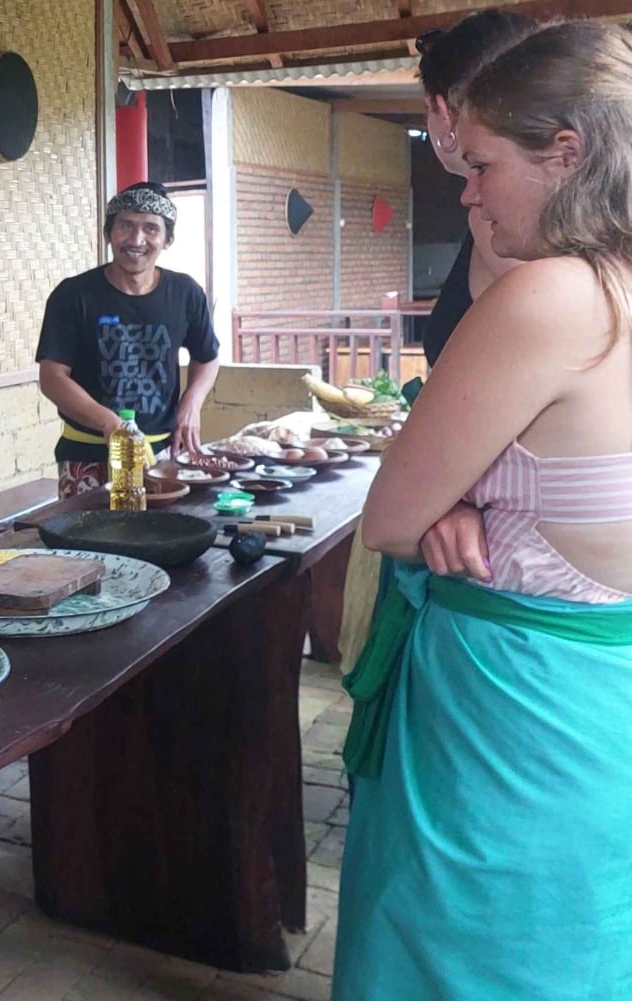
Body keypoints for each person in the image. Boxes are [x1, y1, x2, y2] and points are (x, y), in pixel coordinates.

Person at [335, 22, 632, 999]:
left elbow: (389, 517)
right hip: (605, 697)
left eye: (482, 165)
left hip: (511, 702)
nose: (467, 193)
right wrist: (468, 490)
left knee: (459, 950)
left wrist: (447, 494)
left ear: (566, 154)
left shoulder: (550, 296)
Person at [336, 8, 539, 675]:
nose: (472, 192)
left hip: (498, 568)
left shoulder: (506, 229)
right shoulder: (503, 216)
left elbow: (520, 386)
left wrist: (455, 494)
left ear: (444, 113)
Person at [35, 182, 219, 498]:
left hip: (161, 454)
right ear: (108, 233)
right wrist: (109, 423)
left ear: (167, 239)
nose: (136, 239)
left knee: (164, 529)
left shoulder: (185, 293)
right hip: (87, 456)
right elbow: (52, 378)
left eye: (151, 228)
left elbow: (207, 356)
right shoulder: (73, 295)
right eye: (126, 226)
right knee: (85, 531)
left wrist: (192, 402)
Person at [415, 9, 536, 366]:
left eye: (426, 108)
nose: (471, 195)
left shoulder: (495, 216)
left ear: (443, 111)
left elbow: (546, 340)